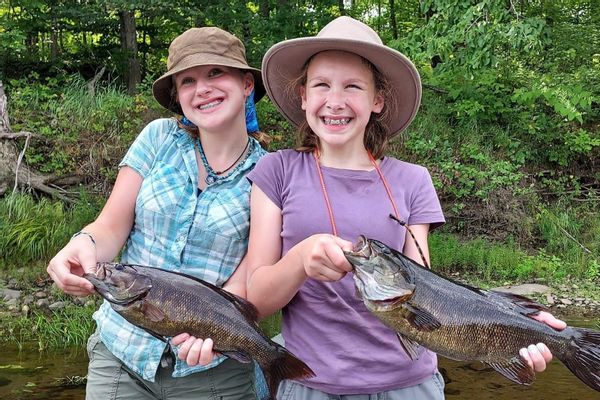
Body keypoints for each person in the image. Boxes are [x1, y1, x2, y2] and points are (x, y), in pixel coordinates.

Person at [241, 16, 567, 398]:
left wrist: (519, 322)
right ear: (303, 97)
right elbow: (256, 303)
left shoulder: (413, 180)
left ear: (377, 100)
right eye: (321, 85)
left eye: (353, 87)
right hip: (310, 385)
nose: (335, 101)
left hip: (411, 386)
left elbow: (432, 292)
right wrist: (299, 260)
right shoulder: (275, 170)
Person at [47, 26, 269, 399]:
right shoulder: (157, 137)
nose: (202, 88)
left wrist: (215, 330)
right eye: (188, 80)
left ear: (246, 84)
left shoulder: (270, 173)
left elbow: (252, 273)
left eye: (216, 73)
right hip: (121, 354)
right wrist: (81, 244)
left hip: (214, 370)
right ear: (178, 96)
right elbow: (111, 226)